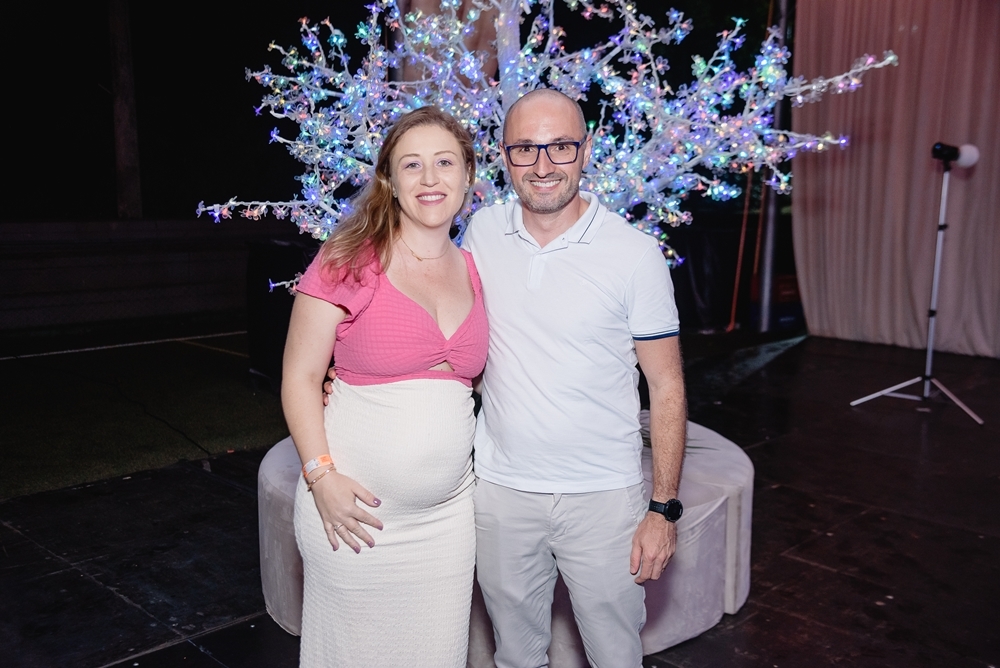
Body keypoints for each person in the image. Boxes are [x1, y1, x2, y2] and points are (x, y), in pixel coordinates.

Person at [462, 88, 687, 667]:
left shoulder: (634, 254)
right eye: (525, 149)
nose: (543, 166)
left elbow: (666, 385)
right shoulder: (481, 233)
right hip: (502, 492)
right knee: (514, 656)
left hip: (604, 498)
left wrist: (662, 508)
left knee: (615, 656)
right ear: (504, 156)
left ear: (586, 150)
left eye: (560, 146)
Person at [282, 106, 487, 667]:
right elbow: (300, 376)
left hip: (447, 523)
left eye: (445, 162)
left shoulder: (475, 269)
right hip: (352, 517)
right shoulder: (348, 258)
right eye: (412, 164)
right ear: (389, 181)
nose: (429, 178)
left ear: (467, 175)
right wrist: (320, 477)